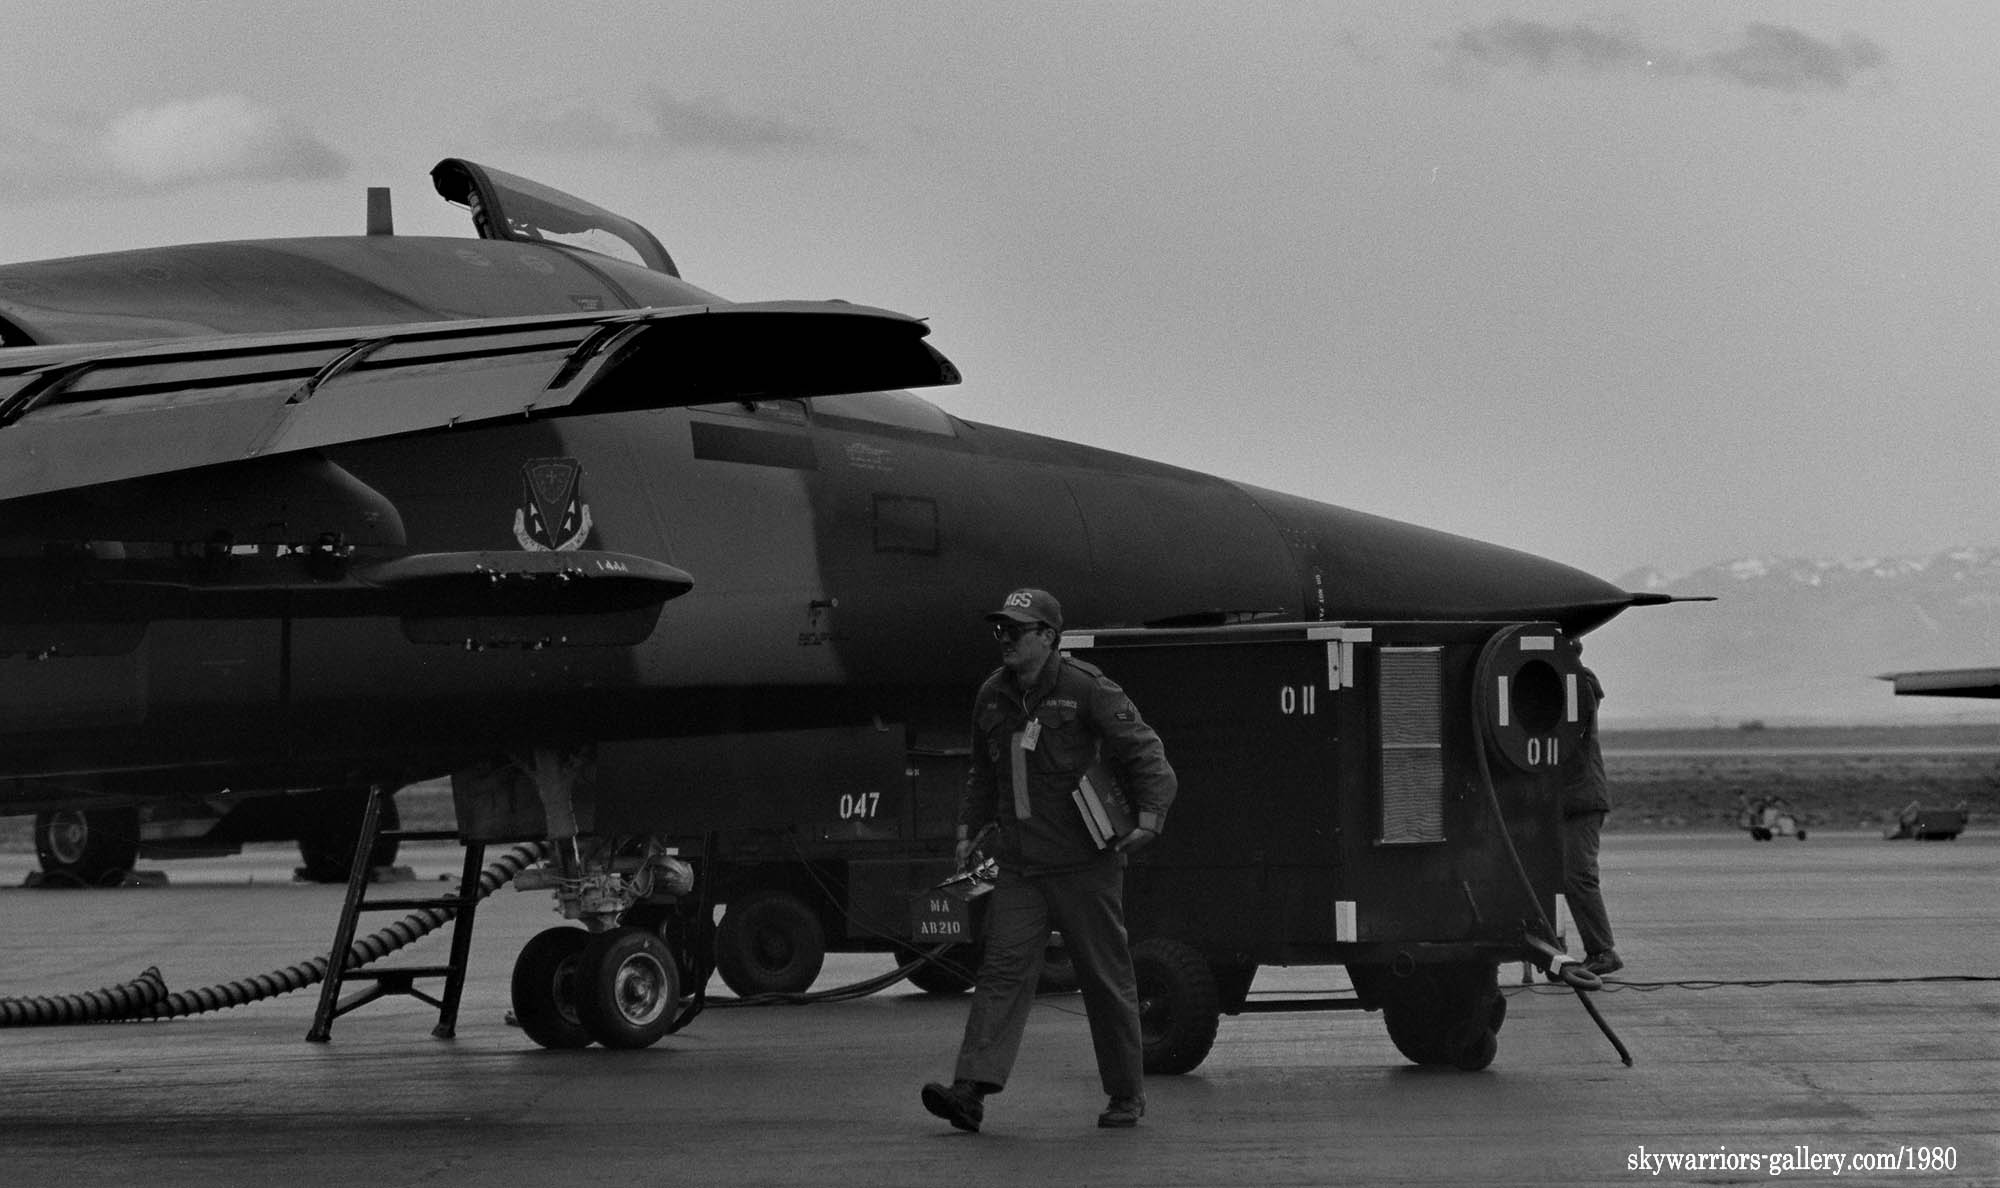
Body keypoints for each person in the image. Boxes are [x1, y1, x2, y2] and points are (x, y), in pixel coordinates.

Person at [921, 588, 1177, 1133]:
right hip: (1020, 867)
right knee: (1001, 973)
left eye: (1016, 630)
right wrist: (967, 831)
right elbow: (982, 772)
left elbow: (1145, 750)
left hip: (1085, 866)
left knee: (1105, 979)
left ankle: (1126, 1094)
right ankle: (970, 1091)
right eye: (1001, 630)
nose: (1005, 639)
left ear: (1048, 637)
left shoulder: (1087, 689)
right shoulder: (992, 696)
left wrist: (1151, 818)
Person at [1561, 640, 1621, 977]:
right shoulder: (1578, 684)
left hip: (1580, 798)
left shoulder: (1578, 686)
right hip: (1574, 798)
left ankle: (1602, 950)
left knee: (1577, 874)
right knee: (1568, 874)